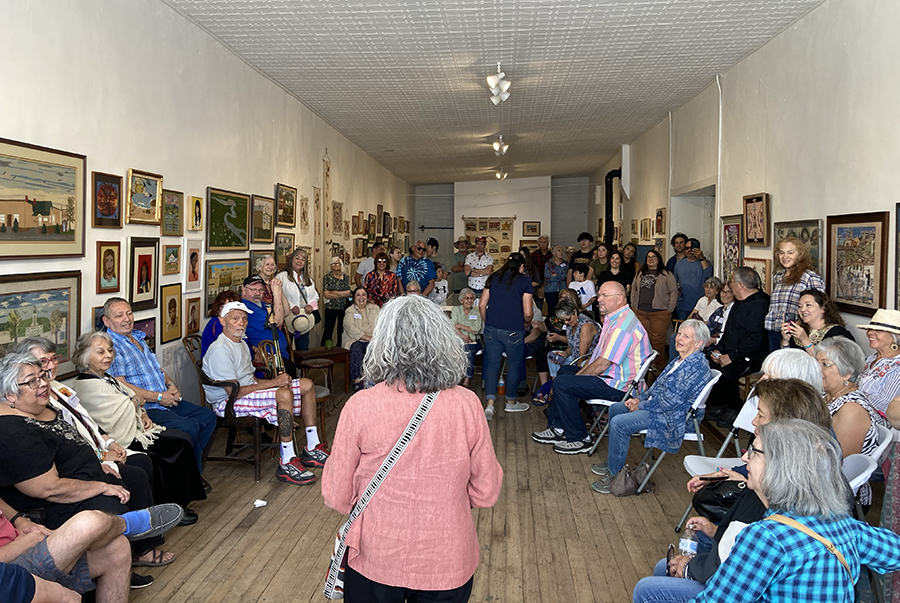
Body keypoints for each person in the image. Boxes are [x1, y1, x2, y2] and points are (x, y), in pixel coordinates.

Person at [321, 295, 503, 602]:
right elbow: (486, 491)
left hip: (377, 555)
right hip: (447, 555)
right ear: (444, 342)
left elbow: (336, 495)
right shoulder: (467, 404)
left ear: (382, 343)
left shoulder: (361, 406)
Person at [634, 381, 834, 603]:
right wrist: (714, 530)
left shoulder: (769, 528)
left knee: (647, 589)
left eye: (760, 415)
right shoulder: (798, 488)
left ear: (784, 431)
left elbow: (730, 585)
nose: (753, 422)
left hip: (737, 586)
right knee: (665, 567)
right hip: (731, 574)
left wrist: (690, 569)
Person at [0, 354, 183, 572]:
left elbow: (77, 437)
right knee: (112, 508)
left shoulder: (43, 406)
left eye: (42, 376)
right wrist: (102, 486)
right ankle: (128, 536)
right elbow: (48, 489)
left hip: (84, 476)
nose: (42, 383)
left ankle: (139, 551)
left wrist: (99, 461)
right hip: (58, 501)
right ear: (10, 395)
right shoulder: (13, 431)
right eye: (32, 381)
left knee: (135, 476)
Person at [688, 419, 900, 603]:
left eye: (754, 452)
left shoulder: (765, 537)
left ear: (782, 467)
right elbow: (894, 551)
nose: (745, 459)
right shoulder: (842, 523)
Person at [73, 331, 207, 519]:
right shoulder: (86, 385)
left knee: (183, 439)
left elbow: (131, 401)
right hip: (121, 438)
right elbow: (123, 406)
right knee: (176, 445)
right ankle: (171, 506)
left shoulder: (105, 378)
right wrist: (136, 403)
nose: (108, 356)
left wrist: (141, 412)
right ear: (85, 357)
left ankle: (180, 502)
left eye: (110, 350)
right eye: (100, 352)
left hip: (135, 429)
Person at [202, 301, 326, 485]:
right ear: (222, 321)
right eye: (235, 319)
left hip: (244, 392)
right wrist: (275, 384)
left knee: (307, 384)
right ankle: (287, 460)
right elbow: (233, 392)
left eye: (244, 319)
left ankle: (312, 446)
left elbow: (251, 380)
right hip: (226, 403)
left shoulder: (242, 343)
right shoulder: (220, 349)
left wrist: (274, 383)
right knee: (283, 393)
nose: (241, 323)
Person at [590, 320, 712, 493]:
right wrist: (639, 400)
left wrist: (642, 406)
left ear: (699, 343)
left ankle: (614, 474)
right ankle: (614, 462)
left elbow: (670, 401)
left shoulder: (695, 367)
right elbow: (656, 388)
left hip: (675, 416)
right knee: (616, 408)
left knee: (619, 423)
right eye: (680, 334)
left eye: (686, 336)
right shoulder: (680, 360)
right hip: (661, 407)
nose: (679, 338)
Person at [531, 281, 651, 454]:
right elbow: (598, 359)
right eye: (599, 295)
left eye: (604, 296)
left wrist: (577, 378)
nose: (598, 299)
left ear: (619, 299)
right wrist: (576, 375)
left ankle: (580, 438)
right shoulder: (616, 319)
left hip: (619, 386)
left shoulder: (622, 326)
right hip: (610, 376)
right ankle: (558, 428)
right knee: (565, 372)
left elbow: (602, 364)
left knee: (563, 383)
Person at [103, 298, 217, 476]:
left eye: (129, 313)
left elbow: (157, 368)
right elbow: (121, 385)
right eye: (119, 316)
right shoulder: (111, 346)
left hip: (164, 398)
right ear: (106, 321)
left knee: (208, 416)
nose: (126, 319)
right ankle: (192, 475)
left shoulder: (138, 337)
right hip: (146, 407)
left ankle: (189, 467)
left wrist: (171, 385)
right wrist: (158, 397)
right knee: (189, 427)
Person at [0, 494, 178, 602]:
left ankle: (120, 527)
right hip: (9, 571)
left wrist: (18, 519)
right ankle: (127, 523)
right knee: (89, 523)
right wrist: (21, 543)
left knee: (118, 548)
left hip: (20, 545)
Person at [817, 337, 887, 507]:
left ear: (847, 372)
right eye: (816, 363)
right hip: (818, 477)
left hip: (839, 495)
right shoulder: (825, 396)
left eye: (825, 364)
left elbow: (840, 464)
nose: (817, 369)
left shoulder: (851, 408)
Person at [705, 267, 769, 427]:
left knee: (726, 373)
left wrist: (732, 356)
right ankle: (720, 404)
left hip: (751, 356)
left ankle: (735, 408)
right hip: (731, 350)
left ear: (740, 285)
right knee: (707, 363)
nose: (730, 285)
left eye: (732, 281)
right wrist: (718, 349)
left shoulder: (760, 304)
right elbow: (729, 332)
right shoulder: (739, 303)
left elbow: (755, 338)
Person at [479, 252, 534, 420]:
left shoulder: (493, 277)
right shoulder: (524, 281)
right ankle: (510, 402)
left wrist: (487, 321)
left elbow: (482, 304)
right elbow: (528, 312)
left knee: (492, 365)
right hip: (513, 330)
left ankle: (489, 404)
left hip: (491, 328)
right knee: (514, 365)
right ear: (521, 266)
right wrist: (527, 323)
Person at [765, 236, 825, 352]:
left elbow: (819, 307)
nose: (785, 257)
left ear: (800, 255)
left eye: (790, 253)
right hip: (774, 329)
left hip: (796, 333)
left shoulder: (809, 277)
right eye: (781, 253)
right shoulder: (779, 277)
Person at [630, 249, 678, 367]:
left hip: (660, 313)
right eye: (648, 257)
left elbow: (674, 291)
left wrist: (669, 309)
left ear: (658, 260)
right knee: (641, 339)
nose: (651, 260)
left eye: (654, 257)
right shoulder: (640, 273)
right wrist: (633, 306)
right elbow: (634, 289)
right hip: (640, 312)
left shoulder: (666, 274)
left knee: (657, 340)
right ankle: (642, 363)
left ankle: (656, 364)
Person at [780, 288, 853, 355]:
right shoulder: (799, 329)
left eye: (808, 305)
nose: (802, 310)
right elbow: (787, 358)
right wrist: (785, 340)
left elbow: (825, 363)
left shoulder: (837, 333)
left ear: (823, 309)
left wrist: (804, 339)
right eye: (800, 306)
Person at [276, 247, 320, 351]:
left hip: (304, 318)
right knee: (286, 347)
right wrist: (291, 306)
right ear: (291, 259)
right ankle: (289, 367)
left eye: (303, 259)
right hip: (288, 318)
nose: (300, 261)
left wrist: (311, 305)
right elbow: (278, 296)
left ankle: (301, 367)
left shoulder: (307, 279)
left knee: (303, 348)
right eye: (297, 258)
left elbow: (315, 295)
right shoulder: (281, 277)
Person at [856, 309, 900, 413]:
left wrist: (851, 395)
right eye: (870, 329)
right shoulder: (872, 359)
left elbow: (884, 404)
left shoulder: (897, 367)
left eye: (878, 330)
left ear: (895, 337)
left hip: (875, 421)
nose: (870, 333)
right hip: (855, 409)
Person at [545, 299, 600, 379]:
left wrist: (576, 375)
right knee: (552, 356)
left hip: (588, 361)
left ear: (574, 312)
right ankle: (555, 383)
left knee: (573, 368)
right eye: (563, 320)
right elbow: (572, 345)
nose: (566, 322)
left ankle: (559, 385)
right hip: (574, 357)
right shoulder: (570, 324)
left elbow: (582, 355)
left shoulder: (586, 326)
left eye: (568, 319)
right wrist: (566, 353)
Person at [344, 289, 380, 391]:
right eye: (358, 295)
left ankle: (372, 378)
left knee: (376, 348)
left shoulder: (375, 309)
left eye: (363, 295)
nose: (361, 297)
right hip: (354, 339)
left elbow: (382, 324)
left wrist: (375, 338)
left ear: (367, 297)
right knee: (356, 348)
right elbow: (350, 328)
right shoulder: (349, 311)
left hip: (373, 339)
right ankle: (356, 379)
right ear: (354, 299)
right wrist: (367, 337)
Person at [673, 238, 713, 321]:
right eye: (687, 248)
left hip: (700, 305)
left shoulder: (704, 263)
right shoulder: (679, 264)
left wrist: (701, 258)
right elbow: (675, 282)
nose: (689, 250)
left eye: (692, 248)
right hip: (683, 305)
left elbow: (709, 275)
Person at [451, 288, 483, 389]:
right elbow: (452, 325)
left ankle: (466, 380)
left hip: (473, 341)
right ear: (461, 300)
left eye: (471, 298)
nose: (469, 301)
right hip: (458, 340)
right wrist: (463, 336)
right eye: (466, 298)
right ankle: (453, 378)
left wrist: (459, 326)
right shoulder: (456, 310)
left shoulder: (476, 313)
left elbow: (476, 329)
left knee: (468, 350)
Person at [322, 257, 352, 347]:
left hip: (343, 307)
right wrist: (342, 293)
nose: (335, 265)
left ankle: (340, 347)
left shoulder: (346, 277)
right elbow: (326, 295)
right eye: (333, 264)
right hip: (331, 307)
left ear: (341, 265)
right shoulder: (327, 277)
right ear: (330, 266)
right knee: (328, 329)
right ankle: (325, 348)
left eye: (337, 263)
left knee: (342, 329)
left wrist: (333, 292)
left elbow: (349, 293)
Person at [200, 290, 241, 355]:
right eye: (225, 307)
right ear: (218, 308)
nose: (229, 311)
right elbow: (233, 346)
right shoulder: (217, 323)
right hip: (215, 359)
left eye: (233, 307)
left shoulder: (237, 322)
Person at [254, 253, 286, 333]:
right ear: (259, 267)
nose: (270, 267)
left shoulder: (274, 283)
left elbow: (287, 311)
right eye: (267, 264)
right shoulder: (254, 284)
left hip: (277, 325)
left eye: (272, 265)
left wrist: (279, 290)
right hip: (263, 326)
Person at [543, 244, 568, 316]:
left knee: (563, 309)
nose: (561, 252)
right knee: (551, 309)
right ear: (553, 253)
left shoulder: (566, 264)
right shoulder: (548, 264)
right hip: (550, 290)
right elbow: (547, 277)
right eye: (559, 250)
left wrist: (555, 275)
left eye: (562, 251)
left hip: (562, 289)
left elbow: (565, 276)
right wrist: (559, 276)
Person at [530, 235, 552, 310]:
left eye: (544, 242)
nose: (543, 244)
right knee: (538, 307)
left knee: (551, 307)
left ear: (548, 243)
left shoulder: (552, 255)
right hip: (537, 284)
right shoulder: (534, 255)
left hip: (550, 284)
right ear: (538, 244)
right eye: (541, 242)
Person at [448, 237, 471, 305]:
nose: (462, 245)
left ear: (467, 245)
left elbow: (476, 267)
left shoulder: (472, 256)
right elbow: (454, 269)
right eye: (460, 243)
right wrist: (468, 268)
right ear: (457, 246)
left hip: (471, 286)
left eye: (464, 243)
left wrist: (462, 264)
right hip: (458, 287)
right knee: (457, 305)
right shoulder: (454, 257)